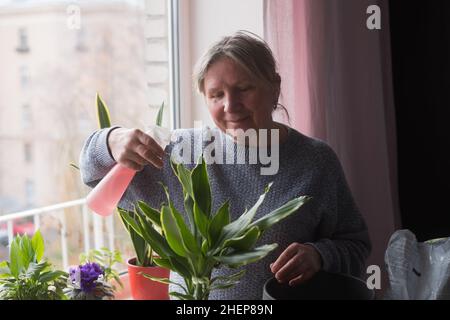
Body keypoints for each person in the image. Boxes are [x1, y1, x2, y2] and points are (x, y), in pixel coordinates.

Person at [79, 31, 371, 299]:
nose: (230, 106)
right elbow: (91, 174)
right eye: (216, 95)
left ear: (274, 88)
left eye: (244, 89)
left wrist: (319, 255)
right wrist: (112, 140)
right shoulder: (184, 153)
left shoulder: (316, 161)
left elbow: (356, 246)